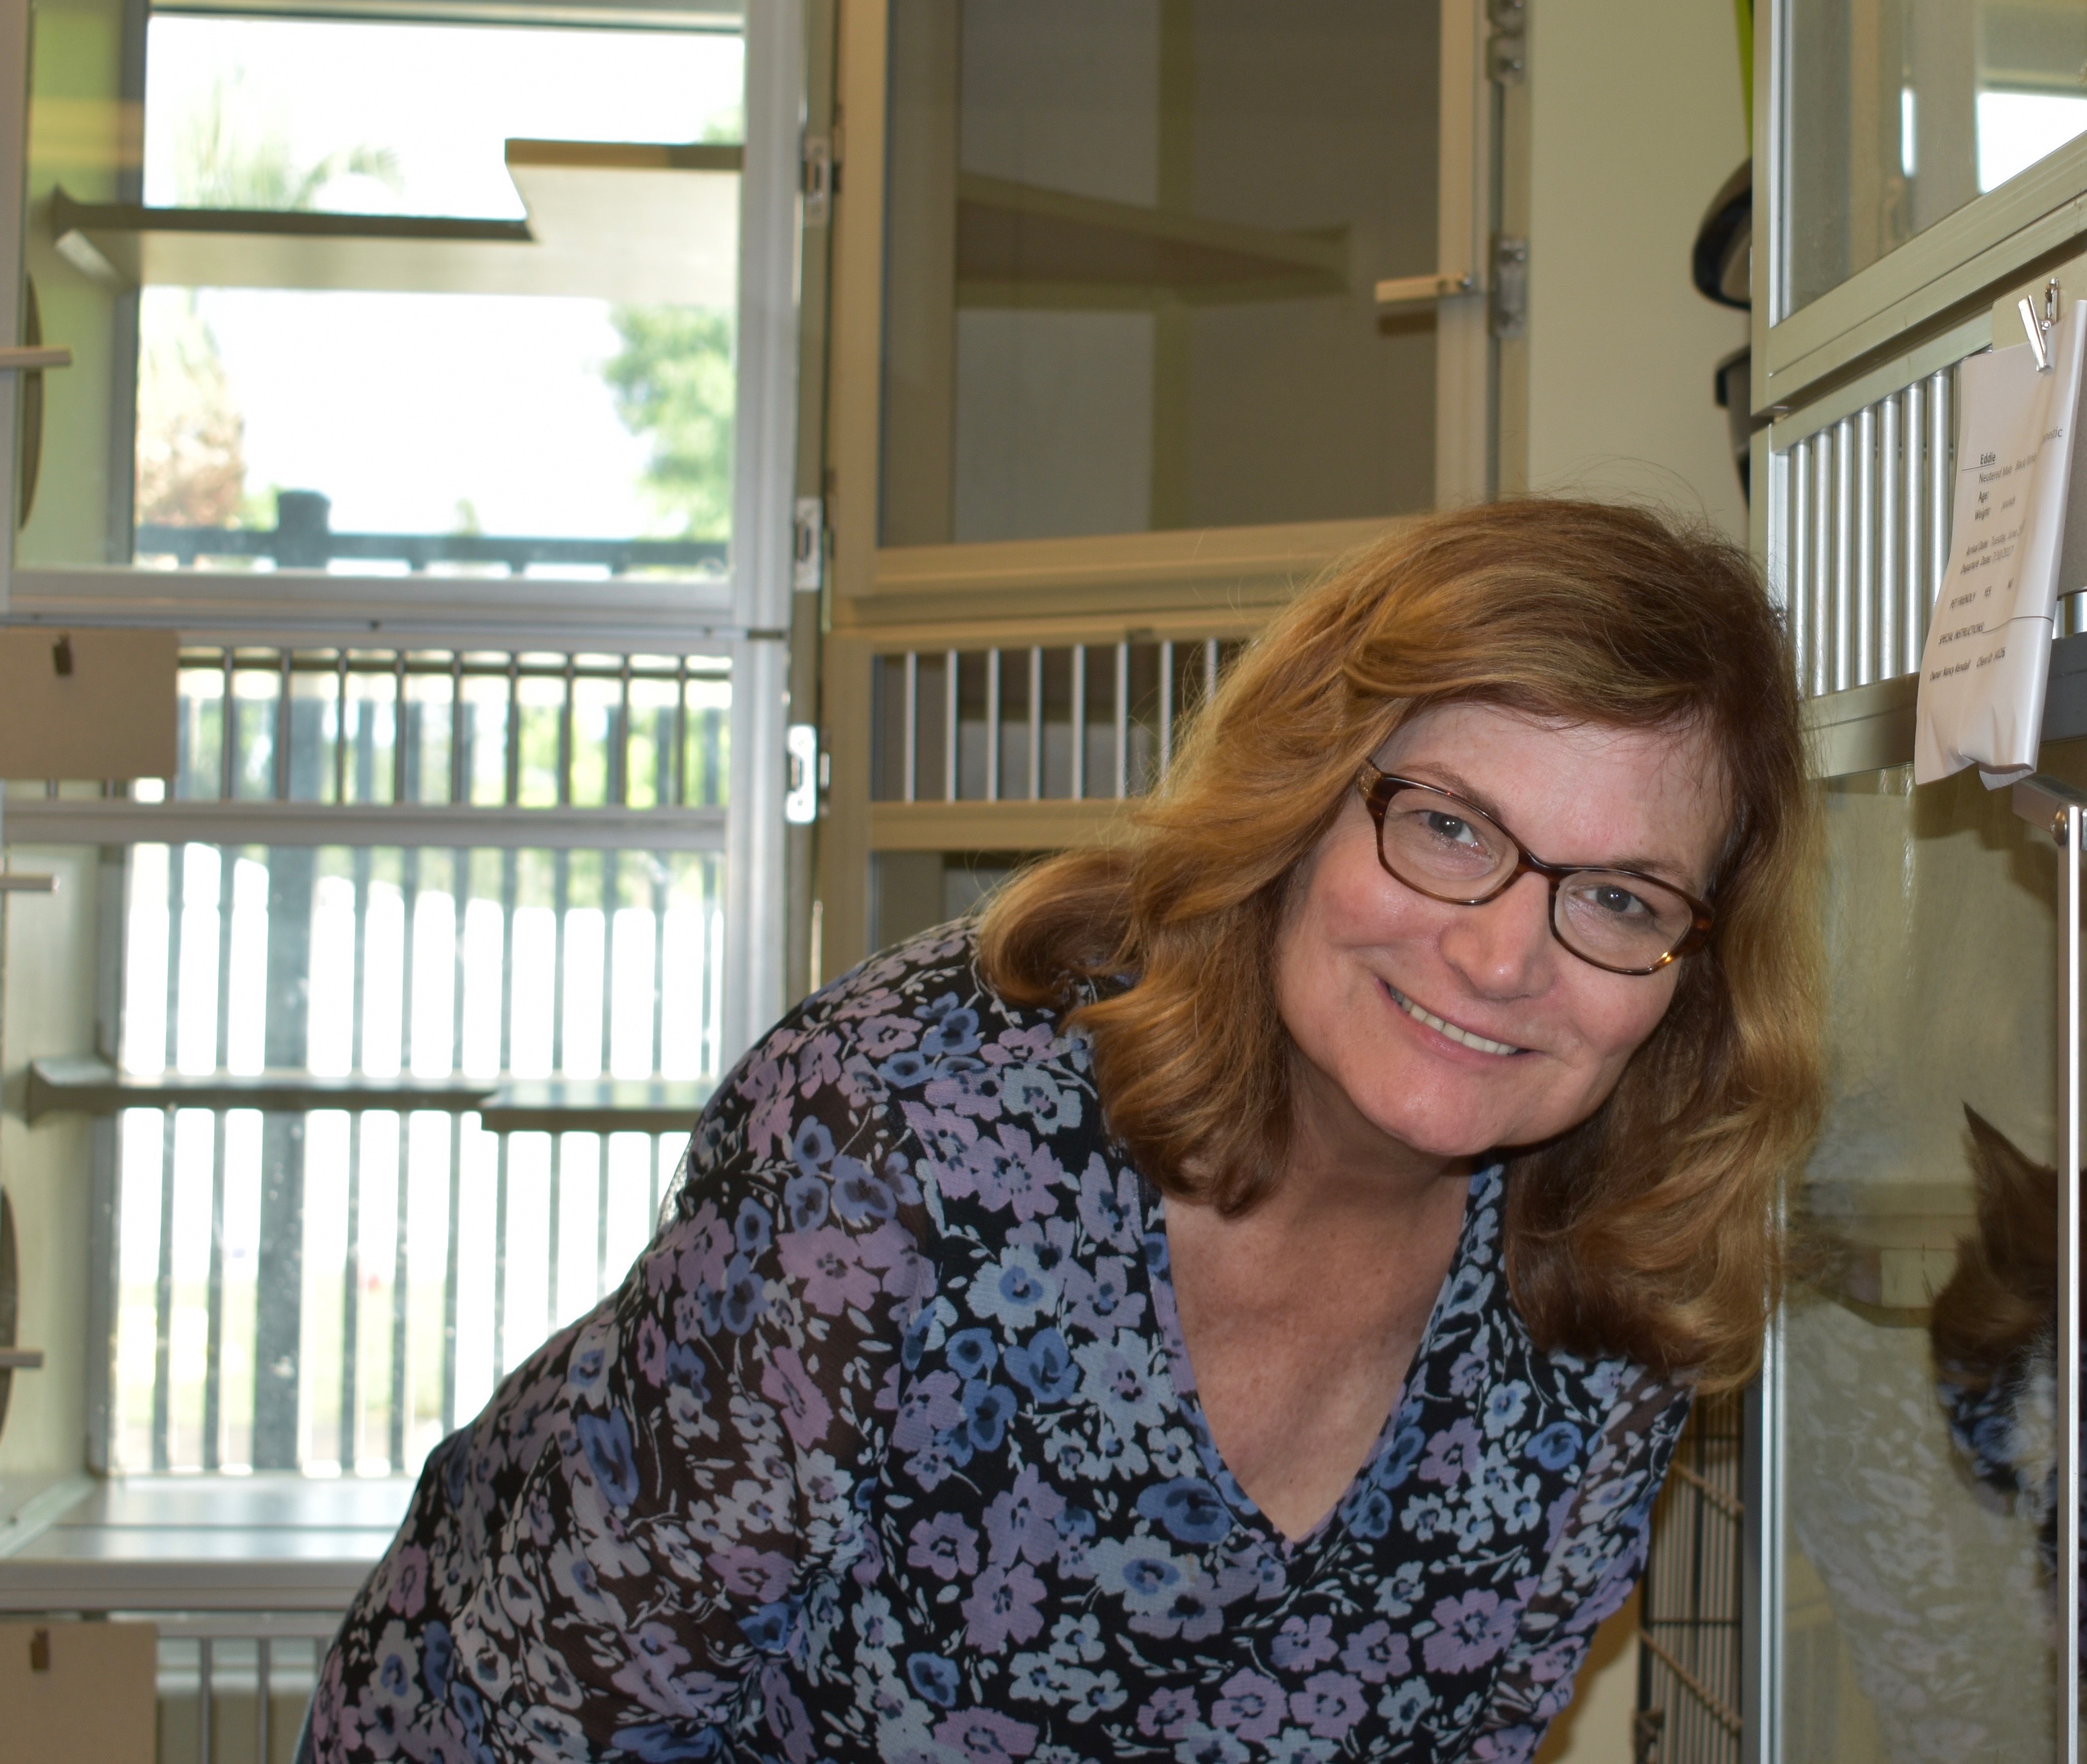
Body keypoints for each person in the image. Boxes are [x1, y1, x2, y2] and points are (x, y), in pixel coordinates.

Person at [302, 497, 1824, 1763]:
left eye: (1618, 895)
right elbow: (573, 1712)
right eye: (1446, 825)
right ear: (1299, 797)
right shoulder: (904, 1129)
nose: (1503, 954)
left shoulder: (1620, 1301)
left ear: (1689, 977)